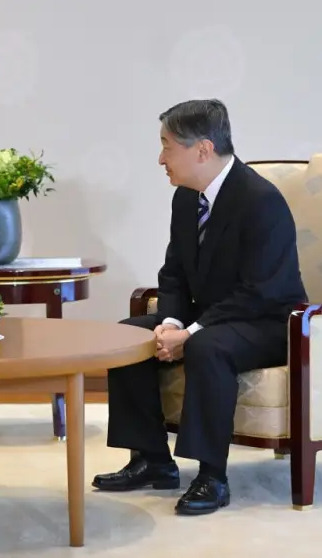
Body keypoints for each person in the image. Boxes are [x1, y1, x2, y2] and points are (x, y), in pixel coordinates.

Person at [91, 99, 306, 515]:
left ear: (203, 150)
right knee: (128, 333)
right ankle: (152, 460)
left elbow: (258, 291)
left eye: (167, 147)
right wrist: (171, 322)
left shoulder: (260, 199)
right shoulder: (187, 198)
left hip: (268, 321)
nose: (161, 159)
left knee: (208, 346)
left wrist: (191, 333)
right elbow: (173, 272)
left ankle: (212, 476)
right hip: (213, 316)